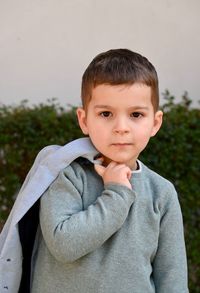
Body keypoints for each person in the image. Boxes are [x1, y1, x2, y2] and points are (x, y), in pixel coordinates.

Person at [30, 49, 188, 292]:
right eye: (106, 114)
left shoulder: (162, 193)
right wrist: (117, 194)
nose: (121, 128)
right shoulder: (68, 175)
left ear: (155, 123)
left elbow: (172, 278)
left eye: (136, 114)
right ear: (84, 120)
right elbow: (64, 245)